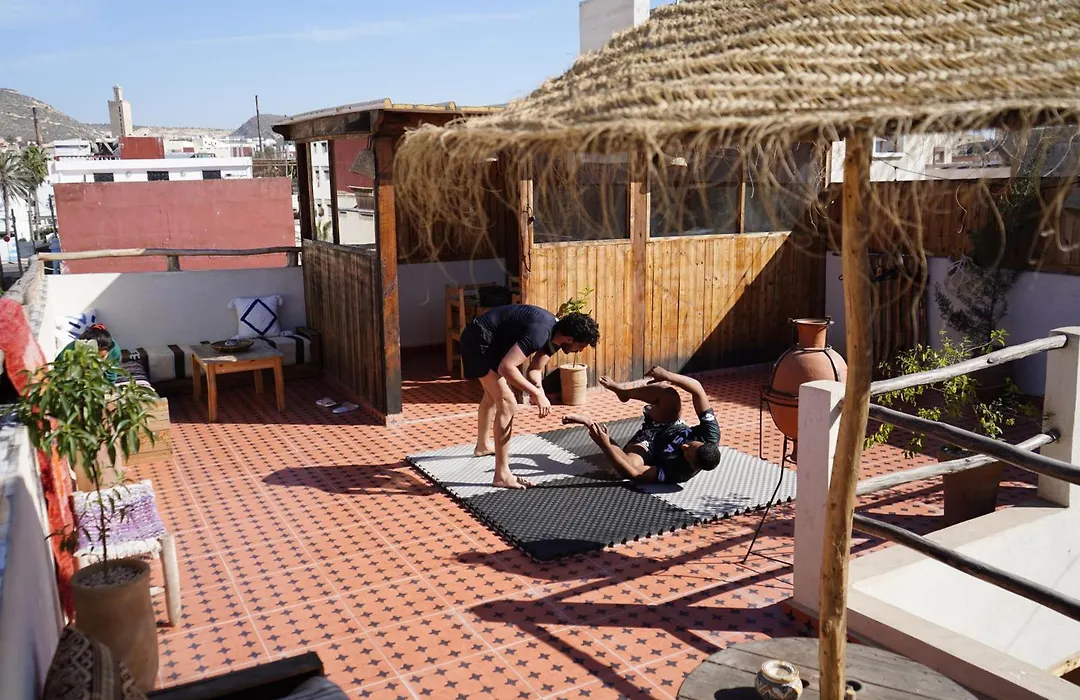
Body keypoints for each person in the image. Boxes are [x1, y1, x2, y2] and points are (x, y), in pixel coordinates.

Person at [461, 304, 601, 489]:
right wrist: (535, 393)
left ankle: (482, 446)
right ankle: (502, 475)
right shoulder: (540, 333)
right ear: (570, 339)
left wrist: (539, 390)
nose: (580, 351)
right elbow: (507, 368)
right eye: (581, 346)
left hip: (492, 341)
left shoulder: (556, 335)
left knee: (492, 396)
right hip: (478, 338)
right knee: (508, 403)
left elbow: (535, 369)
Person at [564, 365, 721, 484]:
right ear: (703, 442)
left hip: (648, 445)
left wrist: (605, 446)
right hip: (669, 423)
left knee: (628, 465)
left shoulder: (679, 472)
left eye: (686, 452)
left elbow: (634, 473)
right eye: (691, 444)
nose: (684, 446)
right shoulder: (710, 435)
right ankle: (624, 393)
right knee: (669, 394)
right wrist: (668, 375)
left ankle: (589, 422)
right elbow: (698, 390)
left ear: (693, 464)